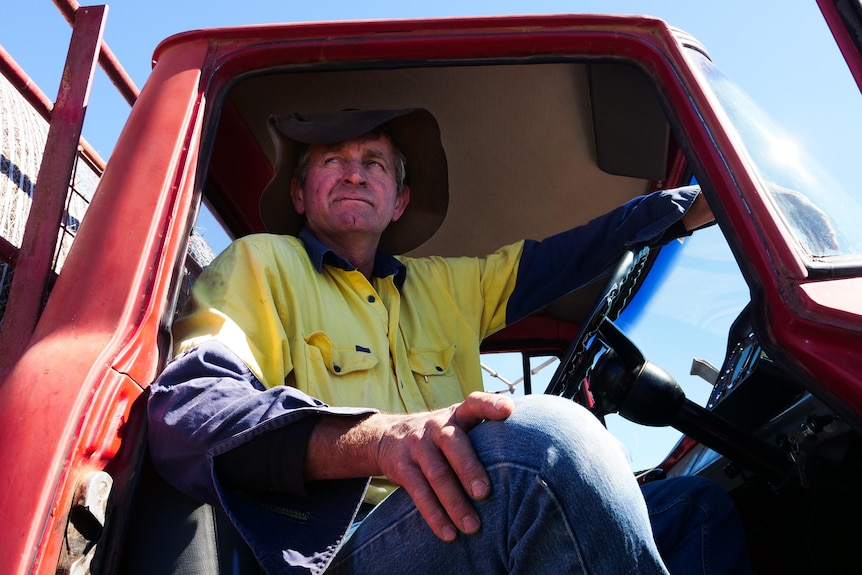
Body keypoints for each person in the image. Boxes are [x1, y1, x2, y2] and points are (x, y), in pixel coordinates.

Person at [147, 108, 750, 574]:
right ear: (301, 195)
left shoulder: (446, 286)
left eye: (375, 162)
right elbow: (191, 408)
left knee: (694, 508)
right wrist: (378, 440)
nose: (355, 170)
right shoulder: (261, 264)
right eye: (332, 159)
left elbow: (573, 253)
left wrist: (700, 203)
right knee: (546, 450)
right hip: (339, 544)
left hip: (463, 518)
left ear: (399, 200)